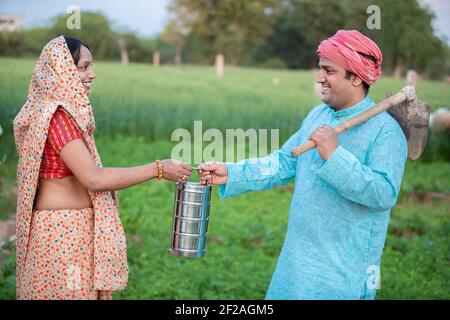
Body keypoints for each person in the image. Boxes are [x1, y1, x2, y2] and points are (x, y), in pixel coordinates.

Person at [199, 30, 408, 299]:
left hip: (343, 271)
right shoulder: (317, 115)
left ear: (356, 77)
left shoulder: (385, 131)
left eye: (329, 71)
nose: (320, 78)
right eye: (320, 69)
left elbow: (383, 194)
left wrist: (335, 156)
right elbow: (285, 161)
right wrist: (232, 173)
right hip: (296, 264)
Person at [13, 36, 192, 300]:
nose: (92, 74)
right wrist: (159, 168)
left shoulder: (55, 113)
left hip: (66, 232)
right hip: (62, 236)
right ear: (62, 70)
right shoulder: (58, 118)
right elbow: (93, 179)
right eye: (83, 67)